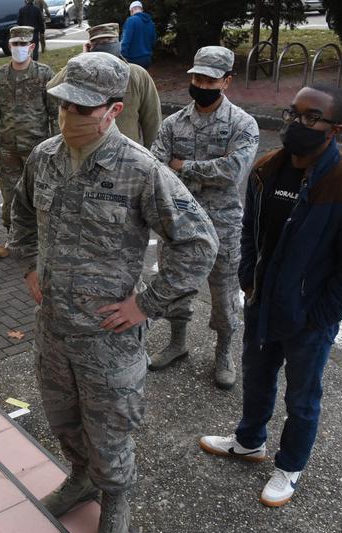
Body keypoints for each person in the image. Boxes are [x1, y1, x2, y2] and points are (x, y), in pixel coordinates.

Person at [10, 52, 218, 533]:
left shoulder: (140, 169)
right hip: (54, 330)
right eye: (62, 106)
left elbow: (197, 242)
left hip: (108, 337)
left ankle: (115, 503)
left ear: (112, 109)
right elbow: (19, 213)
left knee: (111, 428)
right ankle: (81, 479)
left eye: (81, 109)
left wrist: (148, 304)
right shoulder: (45, 157)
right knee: (63, 418)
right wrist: (29, 267)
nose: (68, 118)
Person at [199, 84, 342, 507]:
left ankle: (290, 466)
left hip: (308, 320)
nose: (296, 123)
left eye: (310, 117)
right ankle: (248, 442)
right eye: (292, 113)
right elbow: (250, 232)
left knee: (302, 396)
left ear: (333, 129)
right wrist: (249, 279)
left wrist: (317, 315)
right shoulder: (266, 169)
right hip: (261, 303)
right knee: (257, 377)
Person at [149, 46, 260, 389]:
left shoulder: (243, 124)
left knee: (225, 296)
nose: (200, 84)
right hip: (178, 223)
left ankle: (224, 352)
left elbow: (233, 172)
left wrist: (183, 166)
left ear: (226, 81)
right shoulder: (172, 123)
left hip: (222, 225)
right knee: (174, 286)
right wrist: (186, 169)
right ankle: (178, 343)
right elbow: (155, 168)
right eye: (196, 77)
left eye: (209, 79)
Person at [0, 26, 57, 259]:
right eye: (14, 44)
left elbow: (55, 113)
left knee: (41, 196)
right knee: (10, 196)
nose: (18, 48)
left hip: (38, 150)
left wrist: (58, 148)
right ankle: (12, 239)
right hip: (8, 150)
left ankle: (41, 242)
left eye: (22, 44)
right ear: (9, 46)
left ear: (32, 46)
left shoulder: (45, 74)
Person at [47, 23, 162, 147]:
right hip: (87, 149)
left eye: (108, 42)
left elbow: (152, 121)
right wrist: (81, 61)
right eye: (100, 43)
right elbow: (51, 91)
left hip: (124, 153)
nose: (105, 48)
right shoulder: (83, 75)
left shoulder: (136, 74)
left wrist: (152, 156)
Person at [121, 1, 155, 68]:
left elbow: (125, 40)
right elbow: (153, 40)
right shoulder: (150, 22)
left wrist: (122, 56)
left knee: (133, 78)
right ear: (141, 10)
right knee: (142, 78)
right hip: (147, 58)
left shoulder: (131, 20)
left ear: (132, 10)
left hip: (133, 59)